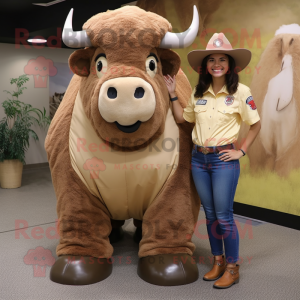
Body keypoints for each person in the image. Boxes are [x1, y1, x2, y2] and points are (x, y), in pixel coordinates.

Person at [163, 32, 261, 289]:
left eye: (222, 59)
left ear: (230, 65)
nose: (217, 63)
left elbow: (255, 125)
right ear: (205, 66)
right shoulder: (199, 93)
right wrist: (173, 94)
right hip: (199, 160)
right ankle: (217, 261)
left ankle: (232, 267)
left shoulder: (241, 92)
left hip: (223, 161)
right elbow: (183, 119)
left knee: (224, 216)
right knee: (209, 216)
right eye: (212, 60)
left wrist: (242, 151)